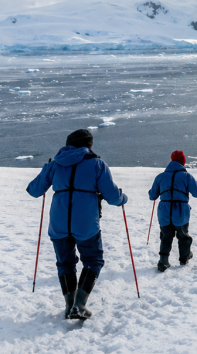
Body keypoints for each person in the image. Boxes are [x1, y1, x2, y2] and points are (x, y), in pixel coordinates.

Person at [26, 129, 128, 320]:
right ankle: (79, 304)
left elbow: (33, 190)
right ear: (88, 145)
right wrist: (123, 198)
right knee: (93, 260)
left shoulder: (54, 165)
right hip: (86, 223)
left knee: (65, 263)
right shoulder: (97, 164)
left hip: (58, 223)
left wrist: (47, 169)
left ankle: (69, 305)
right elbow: (113, 197)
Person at [148, 150, 197, 272]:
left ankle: (163, 261)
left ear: (171, 161)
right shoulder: (186, 176)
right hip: (181, 212)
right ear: (183, 162)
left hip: (164, 213)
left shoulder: (160, 177)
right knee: (183, 236)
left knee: (166, 237)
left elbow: (152, 196)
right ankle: (184, 258)